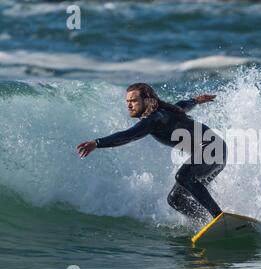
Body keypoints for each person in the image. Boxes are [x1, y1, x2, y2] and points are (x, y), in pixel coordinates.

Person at [76, 83, 227, 219]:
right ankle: (206, 221)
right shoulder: (165, 111)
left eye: (134, 101)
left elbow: (128, 136)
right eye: (127, 102)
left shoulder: (154, 119)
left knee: (183, 177)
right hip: (213, 153)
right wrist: (195, 100)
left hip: (213, 149)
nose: (129, 105)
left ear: (147, 100)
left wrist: (97, 143)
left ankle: (219, 217)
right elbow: (182, 105)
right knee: (176, 199)